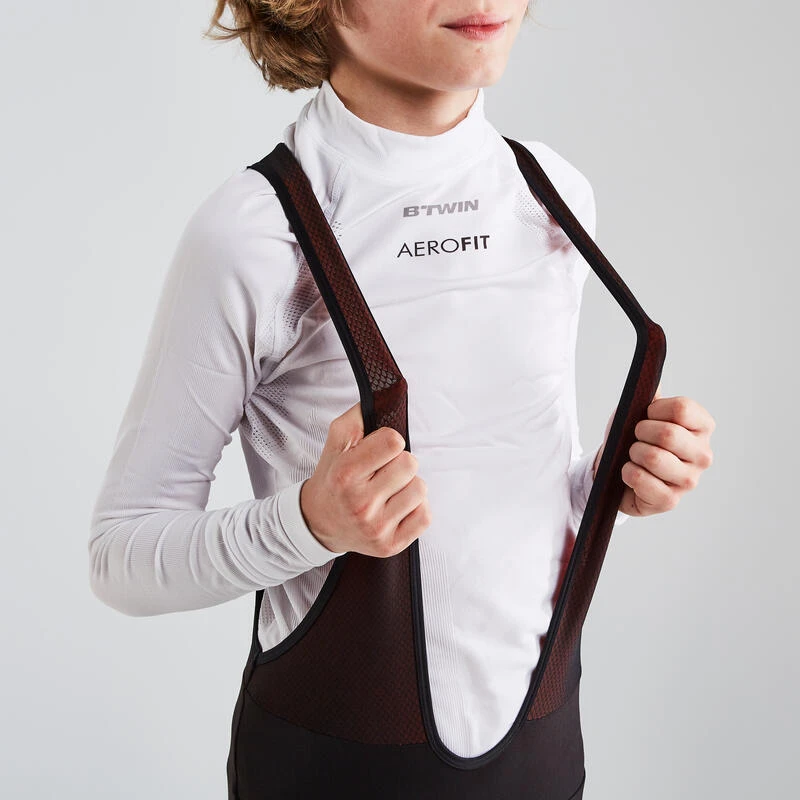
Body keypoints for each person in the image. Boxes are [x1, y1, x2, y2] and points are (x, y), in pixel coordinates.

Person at [88, 0, 715, 794]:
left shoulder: (554, 196)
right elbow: (120, 557)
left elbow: (507, 494)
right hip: (330, 767)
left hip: (544, 761)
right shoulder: (252, 234)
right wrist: (309, 523)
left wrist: (613, 485)